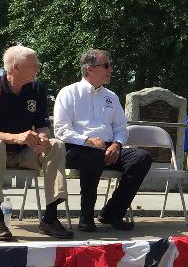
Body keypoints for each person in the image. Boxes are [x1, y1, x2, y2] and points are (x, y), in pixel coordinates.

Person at [0, 46, 71, 241]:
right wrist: (14, 137)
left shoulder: (38, 88)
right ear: (15, 67)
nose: (38, 69)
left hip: (22, 152)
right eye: (34, 65)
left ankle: (50, 217)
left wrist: (42, 137)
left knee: (56, 145)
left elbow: (42, 125)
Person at [53, 49, 152, 233]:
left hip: (107, 148)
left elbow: (121, 128)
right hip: (76, 147)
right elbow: (61, 130)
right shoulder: (69, 93)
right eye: (106, 65)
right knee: (93, 155)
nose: (110, 69)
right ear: (90, 69)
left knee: (141, 157)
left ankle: (112, 213)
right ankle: (86, 216)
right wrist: (87, 140)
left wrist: (117, 144)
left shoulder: (111, 97)